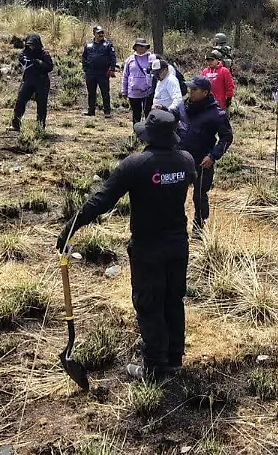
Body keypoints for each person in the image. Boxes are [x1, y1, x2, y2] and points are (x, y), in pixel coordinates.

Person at [57, 109, 196, 381]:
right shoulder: (186, 160)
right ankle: (173, 359)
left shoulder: (135, 165)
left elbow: (102, 200)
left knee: (148, 303)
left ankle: (154, 368)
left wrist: (70, 227)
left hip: (148, 247)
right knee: (172, 298)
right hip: (178, 244)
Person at [173, 77, 234, 239]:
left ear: (205, 92)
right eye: (190, 89)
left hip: (202, 161)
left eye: (195, 90)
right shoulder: (182, 107)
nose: (191, 92)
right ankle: (176, 227)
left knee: (199, 196)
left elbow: (226, 137)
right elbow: (171, 122)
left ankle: (198, 228)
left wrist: (213, 156)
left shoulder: (216, 113)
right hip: (181, 159)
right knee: (176, 193)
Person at [11, 34, 54, 130]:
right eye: (29, 45)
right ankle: (15, 124)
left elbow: (50, 67)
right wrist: (26, 60)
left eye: (33, 45)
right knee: (20, 101)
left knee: (41, 105)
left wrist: (39, 63)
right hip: (28, 81)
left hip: (42, 82)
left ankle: (40, 127)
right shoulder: (25, 53)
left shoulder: (44, 54)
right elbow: (21, 59)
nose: (31, 47)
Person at [82, 26, 117, 118]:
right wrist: (85, 68)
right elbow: (84, 57)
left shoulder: (108, 44)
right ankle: (91, 110)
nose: (101, 34)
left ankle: (107, 111)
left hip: (103, 72)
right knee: (91, 92)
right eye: (98, 33)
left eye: (102, 33)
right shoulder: (88, 45)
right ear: (94, 34)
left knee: (105, 92)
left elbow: (113, 57)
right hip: (91, 72)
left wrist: (112, 69)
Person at [121, 38, 155, 124]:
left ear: (146, 47)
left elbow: (156, 74)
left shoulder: (151, 58)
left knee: (148, 114)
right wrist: (124, 91)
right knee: (136, 114)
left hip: (148, 92)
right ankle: (136, 130)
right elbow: (125, 76)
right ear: (135, 47)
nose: (140, 48)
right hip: (133, 92)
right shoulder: (130, 59)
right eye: (138, 46)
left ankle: (148, 131)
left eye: (142, 46)